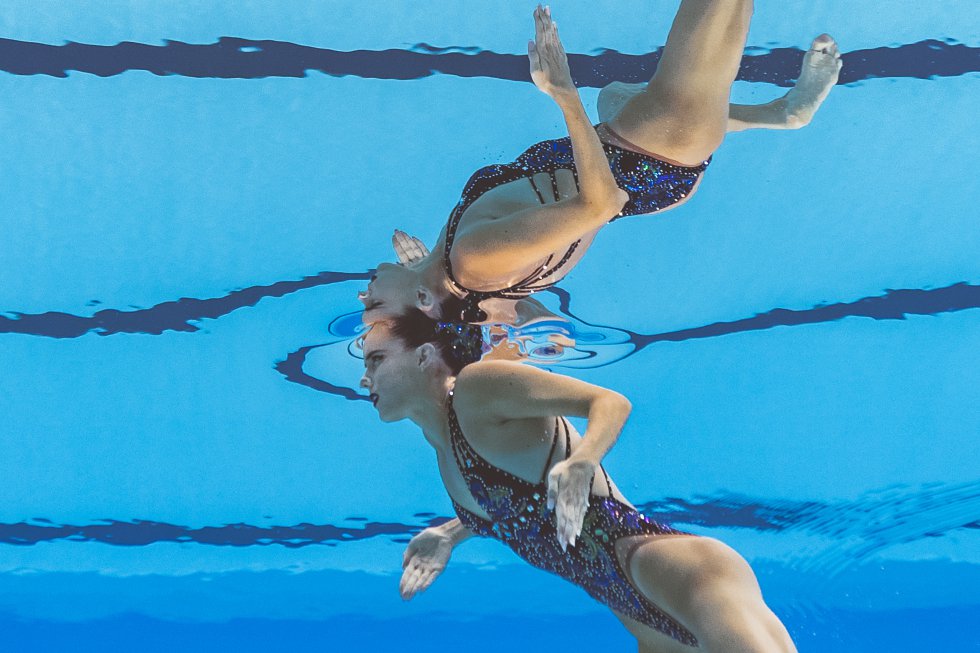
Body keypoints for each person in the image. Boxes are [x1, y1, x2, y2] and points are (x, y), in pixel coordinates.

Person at [360, 2, 842, 323]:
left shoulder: (469, 283)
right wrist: (564, 94)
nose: (364, 296)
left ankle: (786, 113)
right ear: (422, 300)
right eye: (376, 304)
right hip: (653, 149)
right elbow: (601, 202)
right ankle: (785, 113)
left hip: (640, 148)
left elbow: (514, 315)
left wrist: (427, 271)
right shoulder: (472, 260)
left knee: (615, 94)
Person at [359, 312, 798, 652]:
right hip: (643, 618)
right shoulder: (446, 454)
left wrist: (584, 460)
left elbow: (608, 401)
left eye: (376, 359)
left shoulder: (477, 387)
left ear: (423, 355)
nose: (365, 378)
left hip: (679, 574)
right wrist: (451, 534)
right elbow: (516, 507)